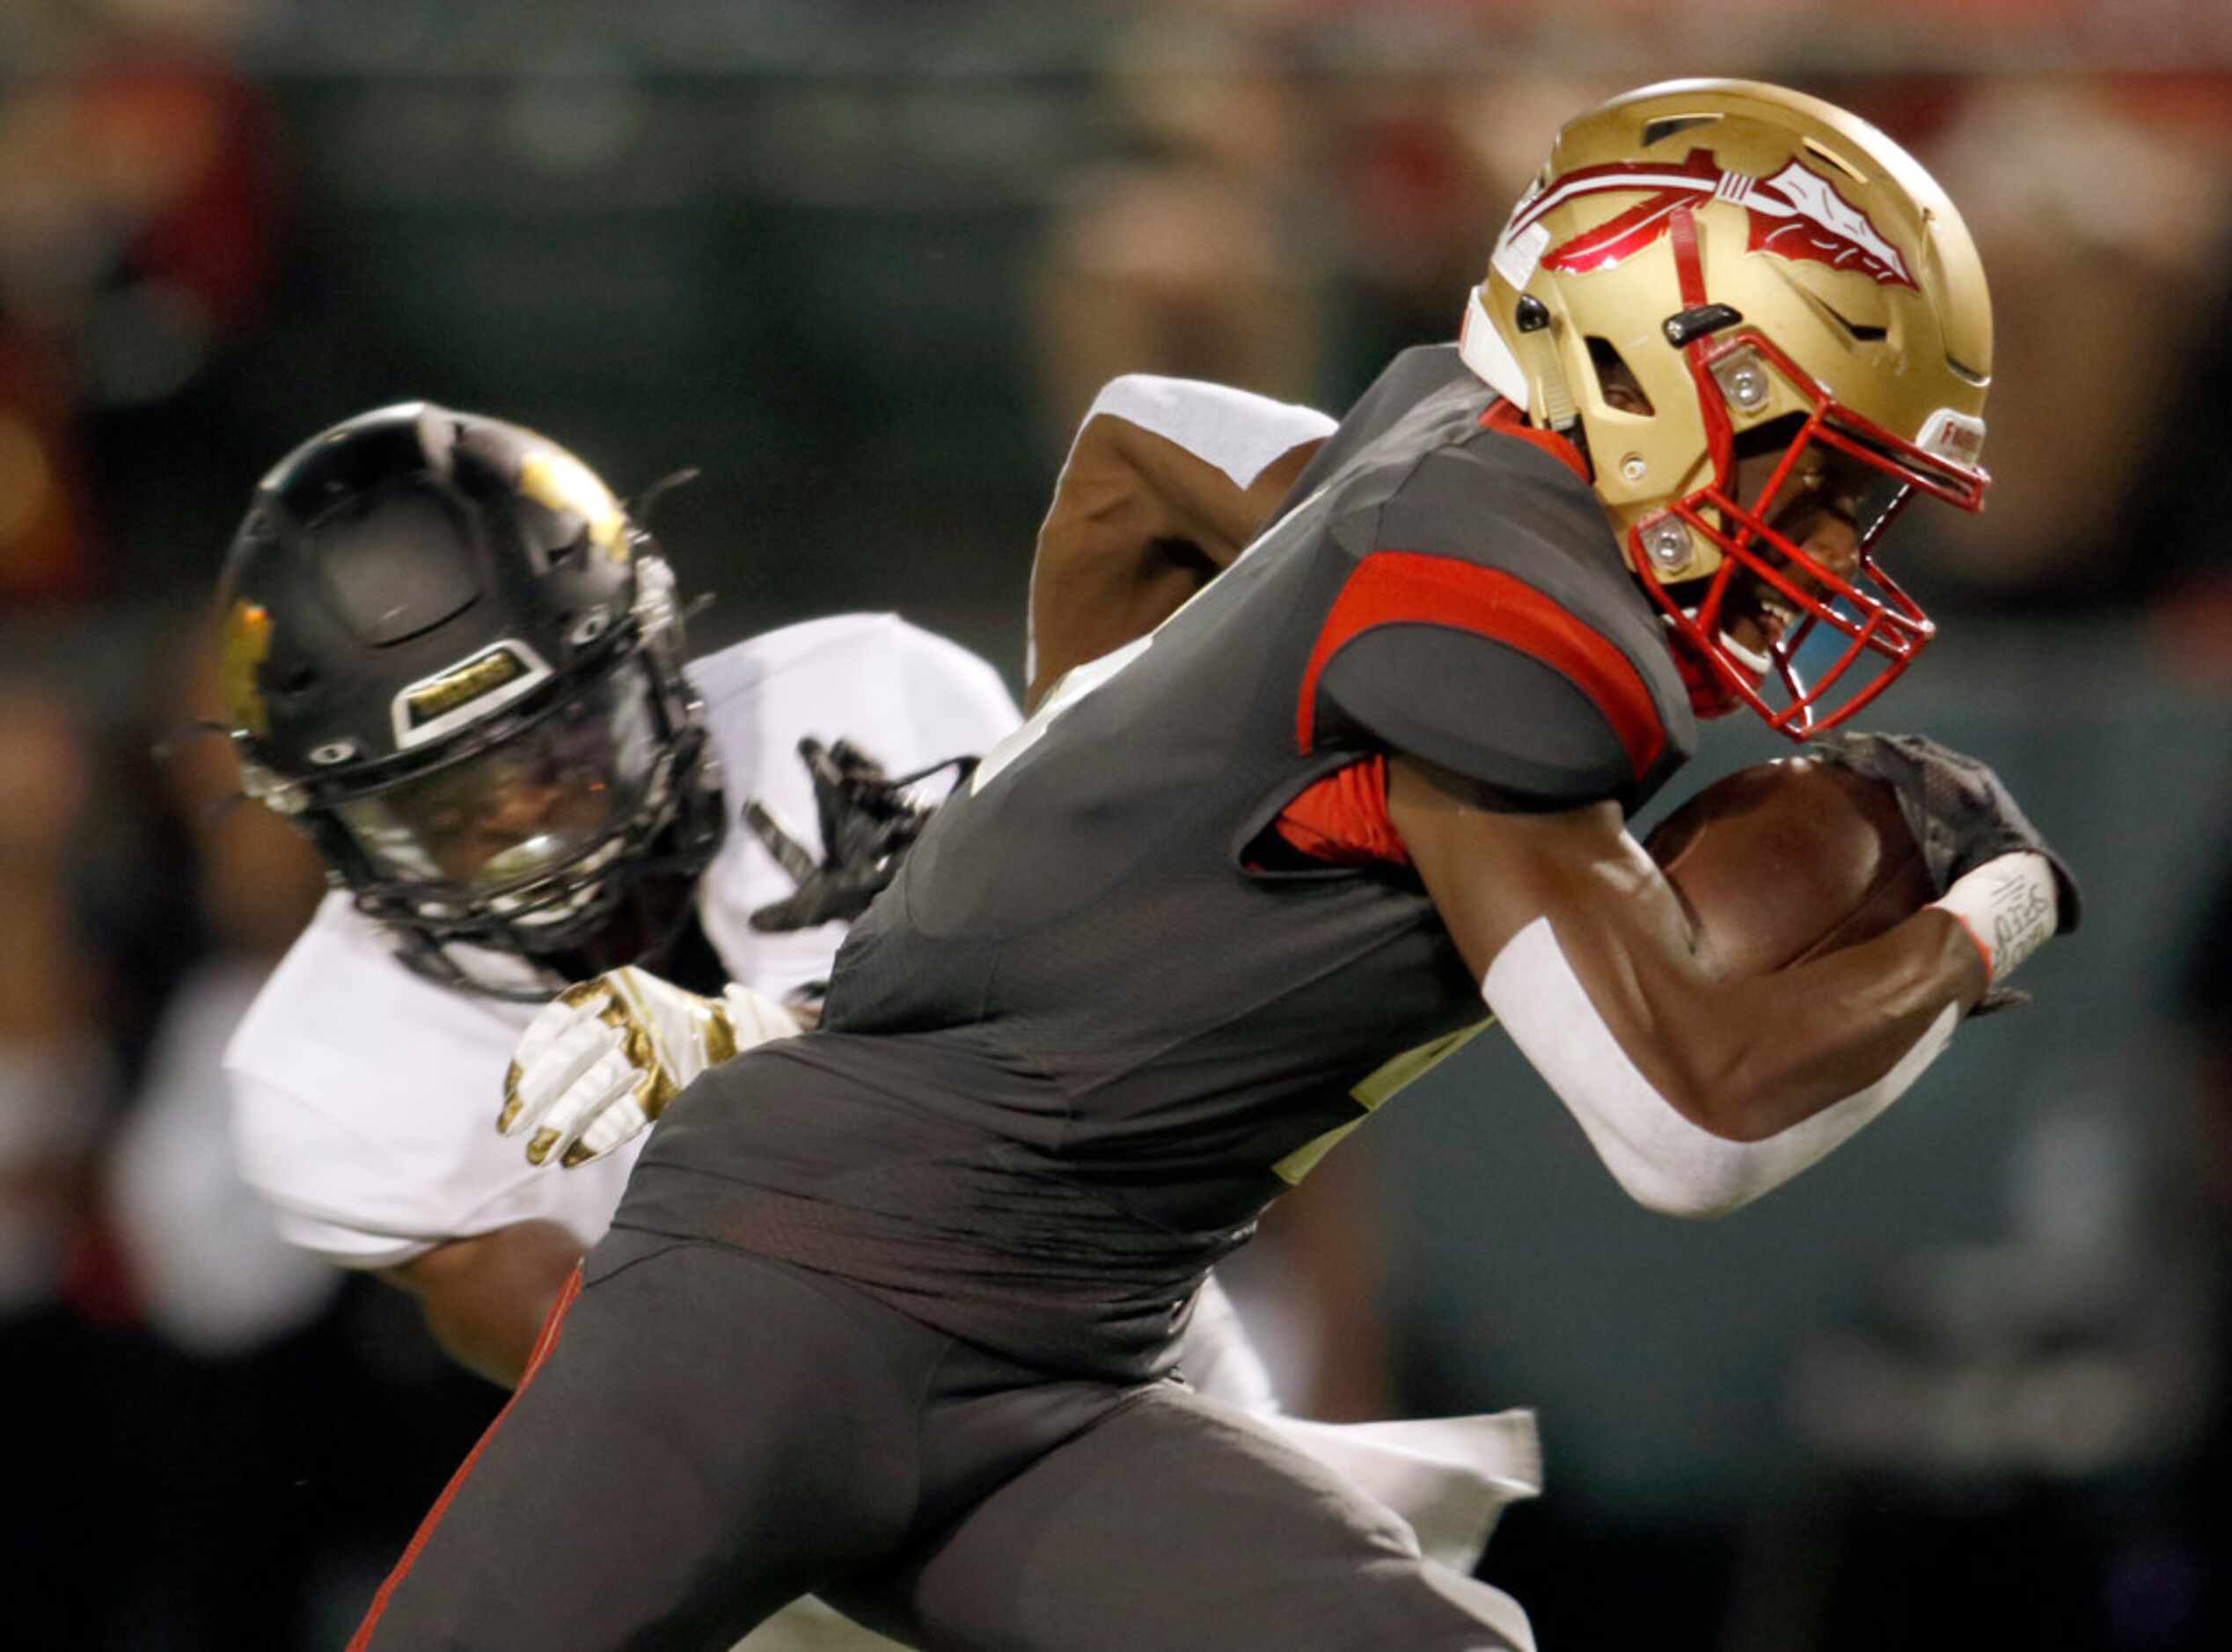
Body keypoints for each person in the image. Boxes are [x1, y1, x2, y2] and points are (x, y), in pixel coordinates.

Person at [347, 79, 2080, 1651]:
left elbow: (1132, 447)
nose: (1843, 543)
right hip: (791, 1302)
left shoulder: (1436, 457)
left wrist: (1063, 781)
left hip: (1062, 1367)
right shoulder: (1500, 623)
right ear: (1655, 371)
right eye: (1827, 473)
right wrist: (1988, 913)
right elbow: (1688, 1127)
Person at [216, 402, 1537, 1651]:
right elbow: (644, 1390)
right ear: (330, 824)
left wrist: (751, 1043)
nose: (526, 824)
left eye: (558, 746)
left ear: (648, 653)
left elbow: (1064, 1047)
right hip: (762, 1531)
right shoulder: (325, 1073)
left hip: (1087, 1358)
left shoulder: (860, 700)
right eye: (452, 806)